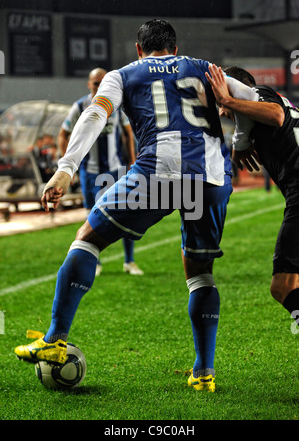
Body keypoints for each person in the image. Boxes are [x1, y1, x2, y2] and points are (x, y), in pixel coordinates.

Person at [15, 20, 251, 392]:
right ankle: (204, 373)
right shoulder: (206, 67)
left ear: (139, 50)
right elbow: (254, 101)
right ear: (175, 47)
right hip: (212, 179)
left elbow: (95, 114)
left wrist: (65, 169)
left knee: (88, 239)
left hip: (158, 172)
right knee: (200, 273)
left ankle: (55, 338)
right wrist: (242, 140)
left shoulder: (122, 74)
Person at [206, 64, 299, 325]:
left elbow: (276, 115)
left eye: (221, 102)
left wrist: (227, 99)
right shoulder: (254, 118)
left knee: (283, 286)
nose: (222, 111)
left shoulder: (259, 95)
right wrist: (241, 139)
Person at [58, 68, 143, 276]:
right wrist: (69, 167)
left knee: (126, 214)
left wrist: (132, 161)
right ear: (89, 85)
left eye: (102, 82)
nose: (98, 86)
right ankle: (95, 263)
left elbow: (127, 133)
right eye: (95, 83)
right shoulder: (80, 106)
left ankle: (129, 261)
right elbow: (63, 135)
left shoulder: (116, 104)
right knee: (91, 217)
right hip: (91, 171)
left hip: (115, 168)